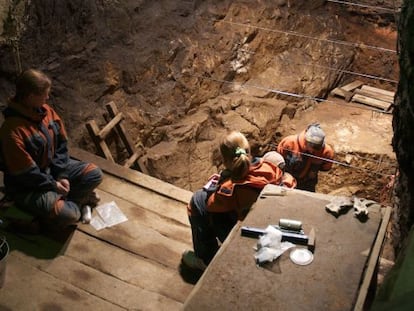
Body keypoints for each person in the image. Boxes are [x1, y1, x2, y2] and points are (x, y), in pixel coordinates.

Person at [0, 69, 103, 230]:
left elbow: (61, 144)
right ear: (30, 96)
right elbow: (27, 174)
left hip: (51, 171)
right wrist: (54, 185)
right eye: (44, 94)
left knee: (94, 173)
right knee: (69, 216)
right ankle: (71, 206)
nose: (47, 98)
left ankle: (69, 201)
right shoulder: (12, 131)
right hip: (28, 186)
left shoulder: (46, 112)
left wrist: (61, 174)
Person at [182, 131, 295, 271]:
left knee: (197, 200)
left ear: (225, 161)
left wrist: (218, 185)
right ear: (249, 152)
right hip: (269, 223)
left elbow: (212, 205)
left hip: (247, 231)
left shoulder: (230, 187)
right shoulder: (270, 168)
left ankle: (205, 259)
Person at [276, 123, 334, 192]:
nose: (312, 151)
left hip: (308, 184)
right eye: (311, 146)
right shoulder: (289, 143)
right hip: (288, 180)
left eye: (316, 148)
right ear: (306, 141)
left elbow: (326, 167)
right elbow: (278, 159)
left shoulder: (326, 152)